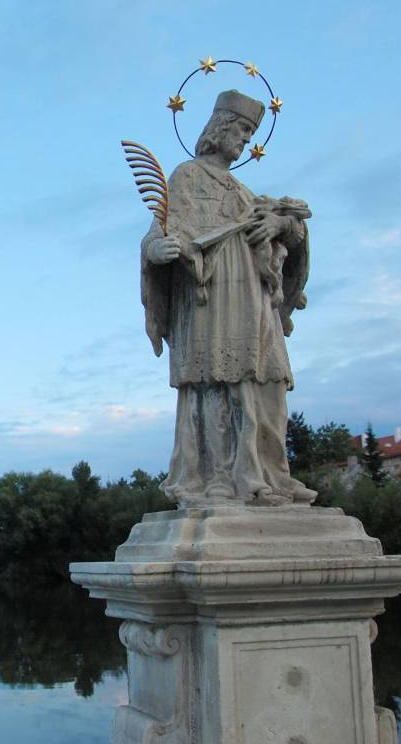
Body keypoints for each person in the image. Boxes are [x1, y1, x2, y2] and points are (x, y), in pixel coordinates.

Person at [140, 89, 314, 506]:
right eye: (242, 129)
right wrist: (157, 250)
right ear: (220, 128)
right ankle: (222, 477)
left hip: (254, 296)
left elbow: (293, 231)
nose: (247, 139)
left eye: (251, 131)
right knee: (219, 383)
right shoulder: (187, 177)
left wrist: (280, 225)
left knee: (269, 380)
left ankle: (273, 473)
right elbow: (158, 233)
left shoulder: (244, 191)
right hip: (211, 298)